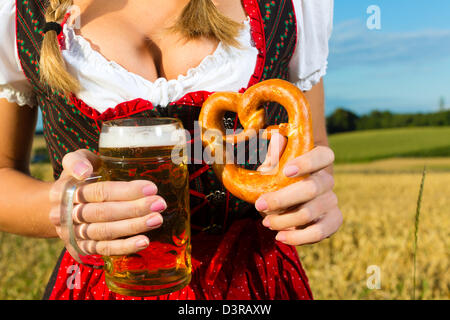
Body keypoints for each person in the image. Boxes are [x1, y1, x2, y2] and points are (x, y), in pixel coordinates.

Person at [0, 0, 342, 300]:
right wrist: (63, 208)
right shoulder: (19, 11)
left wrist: (313, 195)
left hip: (253, 283)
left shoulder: (295, 6)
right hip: (104, 285)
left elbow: (311, 151)